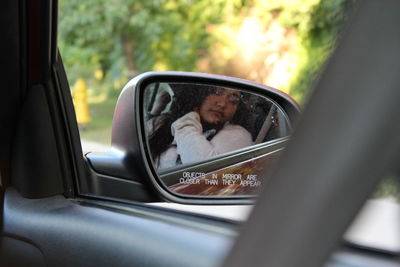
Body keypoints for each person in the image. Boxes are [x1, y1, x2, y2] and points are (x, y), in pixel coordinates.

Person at [147, 84, 253, 170]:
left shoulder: (238, 135)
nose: (222, 104)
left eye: (233, 99)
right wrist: (154, 113)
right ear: (199, 93)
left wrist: (188, 122)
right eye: (217, 92)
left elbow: (201, 172)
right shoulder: (162, 122)